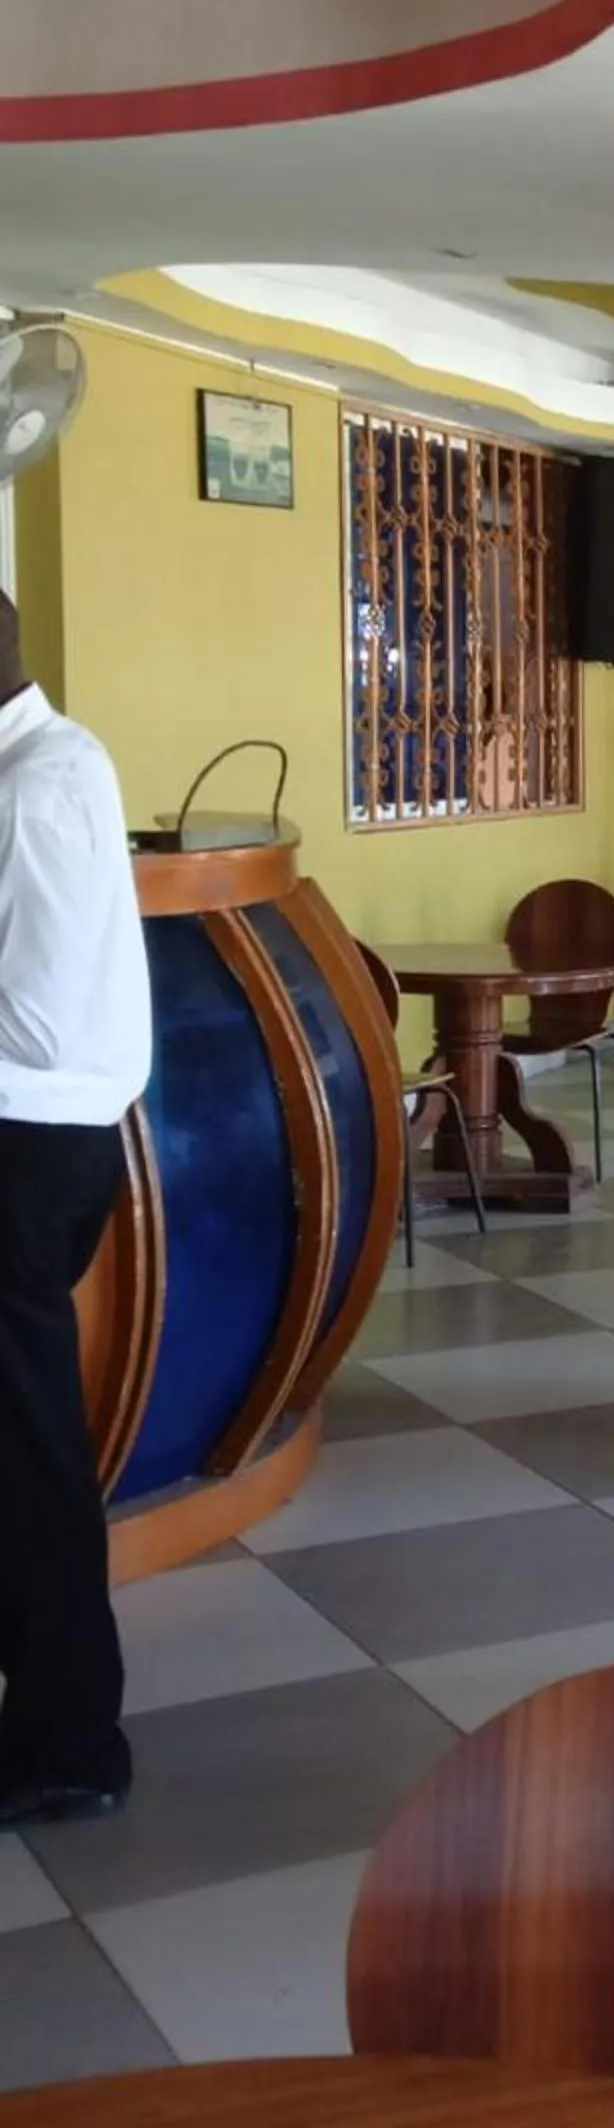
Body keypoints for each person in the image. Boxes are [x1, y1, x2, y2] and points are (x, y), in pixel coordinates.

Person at [0, 592, 150, 1825]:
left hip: (24, 1151)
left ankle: (69, 1742)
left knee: (28, 1459)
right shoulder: (52, 759)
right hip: (41, 1145)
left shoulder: (38, 786)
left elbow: (40, 1025)